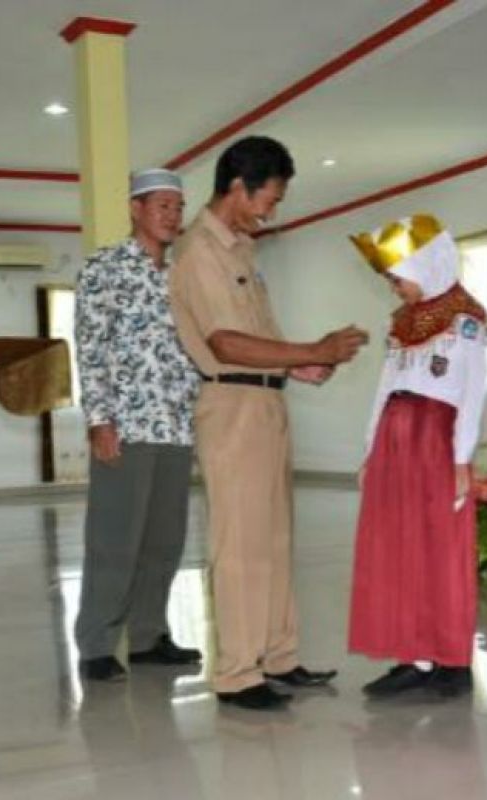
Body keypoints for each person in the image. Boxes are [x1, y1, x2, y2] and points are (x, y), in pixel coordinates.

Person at [169, 136, 368, 710]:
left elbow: (255, 338)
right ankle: (236, 673)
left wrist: (300, 365)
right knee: (239, 544)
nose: (271, 212)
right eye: (269, 200)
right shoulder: (199, 251)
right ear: (238, 187)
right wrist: (312, 345)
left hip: (264, 401)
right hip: (230, 408)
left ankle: (278, 657)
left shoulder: (241, 252)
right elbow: (225, 342)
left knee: (276, 537)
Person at [347, 214, 487, 700]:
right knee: (396, 547)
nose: (393, 286)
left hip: (436, 444)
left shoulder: (465, 318)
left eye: (396, 275)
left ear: (426, 263)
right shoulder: (402, 321)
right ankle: (411, 655)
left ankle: (450, 661)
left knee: (439, 548)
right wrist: (370, 449)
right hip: (395, 444)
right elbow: (385, 388)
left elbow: (470, 392)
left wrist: (461, 458)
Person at [73, 168, 203, 682]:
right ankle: (97, 643)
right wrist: (99, 419)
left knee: (164, 540)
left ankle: (149, 636)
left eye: (178, 206)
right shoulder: (104, 269)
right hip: (126, 425)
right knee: (114, 538)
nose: (173, 216)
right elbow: (90, 348)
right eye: (162, 206)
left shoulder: (183, 275)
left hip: (177, 425)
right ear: (136, 209)